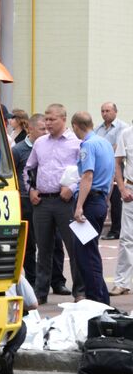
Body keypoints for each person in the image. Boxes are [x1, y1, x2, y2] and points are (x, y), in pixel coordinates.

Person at [26, 103, 83, 303]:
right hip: (42, 202)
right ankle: (41, 293)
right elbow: (28, 169)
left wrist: (73, 188)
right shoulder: (40, 143)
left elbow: (84, 172)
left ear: (63, 119)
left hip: (65, 202)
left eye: (52, 120)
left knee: (74, 247)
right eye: (46, 120)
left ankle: (80, 292)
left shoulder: (76, 143)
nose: (47, 123)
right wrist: (30, 189)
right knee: (43, 249)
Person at [72, 110, 114, 305]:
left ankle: (97, 300)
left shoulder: (87, 145)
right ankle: (100, 298)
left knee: (86, 255)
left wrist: (79, 206)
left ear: (75, 126)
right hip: (100, 199)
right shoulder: (104, 143)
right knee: (91, 252)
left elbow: (87, 176)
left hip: (89, 202)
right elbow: (111, 173)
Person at [13, 111, 40, 281]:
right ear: (30, 129)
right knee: (29, 244)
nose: (46, 132)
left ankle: (57, 280)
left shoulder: (46, 147)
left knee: (51, 243)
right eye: (42, 128)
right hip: (24, 199)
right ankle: (32, 280)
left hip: (44, 199)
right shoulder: (18, 150)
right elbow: (14, 173)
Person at [96, 102, 126, 239]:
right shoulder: (98, 129)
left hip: (116, 166)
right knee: (101, 198)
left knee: (115, 200)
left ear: (115, 111)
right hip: (100, 167)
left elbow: (118, 146)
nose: (104, 113)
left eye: (108, 110)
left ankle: (116, 230)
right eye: (102, 111)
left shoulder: (122, 128)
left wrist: (102, 152)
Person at [113, 120, 133, 295]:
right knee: (126, 238)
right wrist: (121, 188)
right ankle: (122, 282)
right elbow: (117, 162)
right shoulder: (127, 133)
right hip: (131, 191)